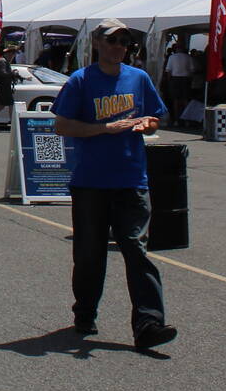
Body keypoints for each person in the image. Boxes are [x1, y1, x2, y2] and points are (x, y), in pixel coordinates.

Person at [51, 19, 175, 351]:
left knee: (136, 249)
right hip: (91, 181)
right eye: (112, 41)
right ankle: (85, 312)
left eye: (124, 42)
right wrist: (104, 129)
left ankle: (149, 323)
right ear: (97, 44)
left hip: (132, 179)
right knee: (90, 254)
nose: (119, 47)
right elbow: (62, 125)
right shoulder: (81, 80)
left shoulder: (139, 78)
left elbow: (154, 118)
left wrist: (146, 124)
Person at [161, 39, 193, 129]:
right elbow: (192, 70)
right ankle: (187, 120)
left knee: (175, 100)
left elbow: (168, 71)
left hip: (175, 79)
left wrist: (168, 81)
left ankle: (176, 119)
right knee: (185, 100)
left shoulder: (172, 57)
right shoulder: (188, 57)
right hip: (186, 78)